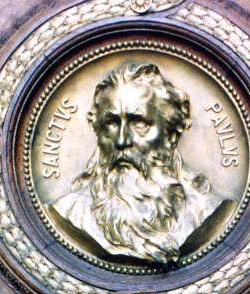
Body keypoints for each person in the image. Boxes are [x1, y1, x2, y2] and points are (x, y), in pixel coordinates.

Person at [50, 63, 234, 264]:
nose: (122, 141)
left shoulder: (204, 211)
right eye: (111, 123)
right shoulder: (71, 211)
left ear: (171, 135)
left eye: (139, 123)